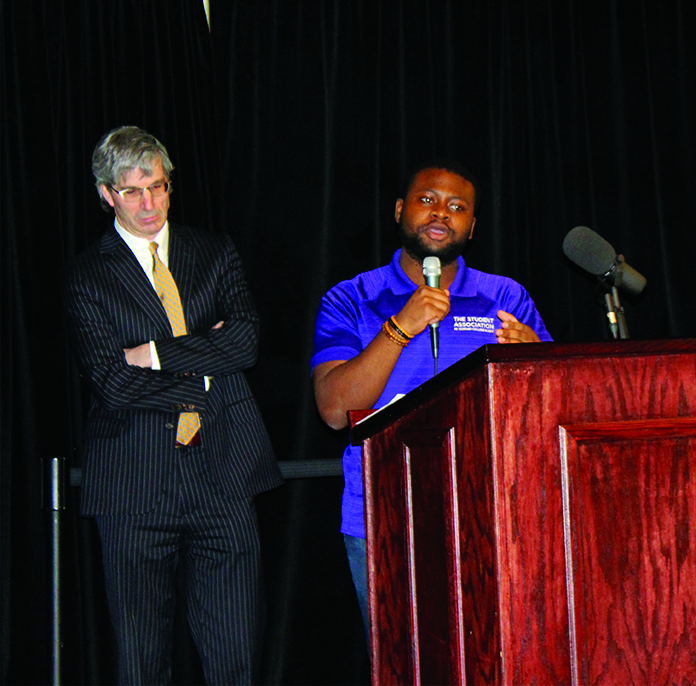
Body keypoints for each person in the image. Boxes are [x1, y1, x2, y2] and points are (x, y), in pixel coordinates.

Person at [63, 126, 283, 685]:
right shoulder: (88, 274)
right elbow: (111, 383)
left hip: (224, 474)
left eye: (158, 188)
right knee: (141, 661)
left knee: (236, 656)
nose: (149, 204)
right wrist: (206, 376)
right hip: (134, 480)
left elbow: (247, 341)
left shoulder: (213, 250)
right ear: (106, 193)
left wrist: (156, 353)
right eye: (132, 192)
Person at [311, 162, 552, 635]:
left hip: (497, 511)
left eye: (458, 207)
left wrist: (535, 362)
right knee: (404, 658)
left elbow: (551, 409)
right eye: (427, 200)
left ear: (473, 226)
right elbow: (334, 410)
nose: (441, 213)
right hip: (385, 514)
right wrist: (401, 327)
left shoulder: (506, 296)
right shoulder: (351, 297)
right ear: (400, 210)